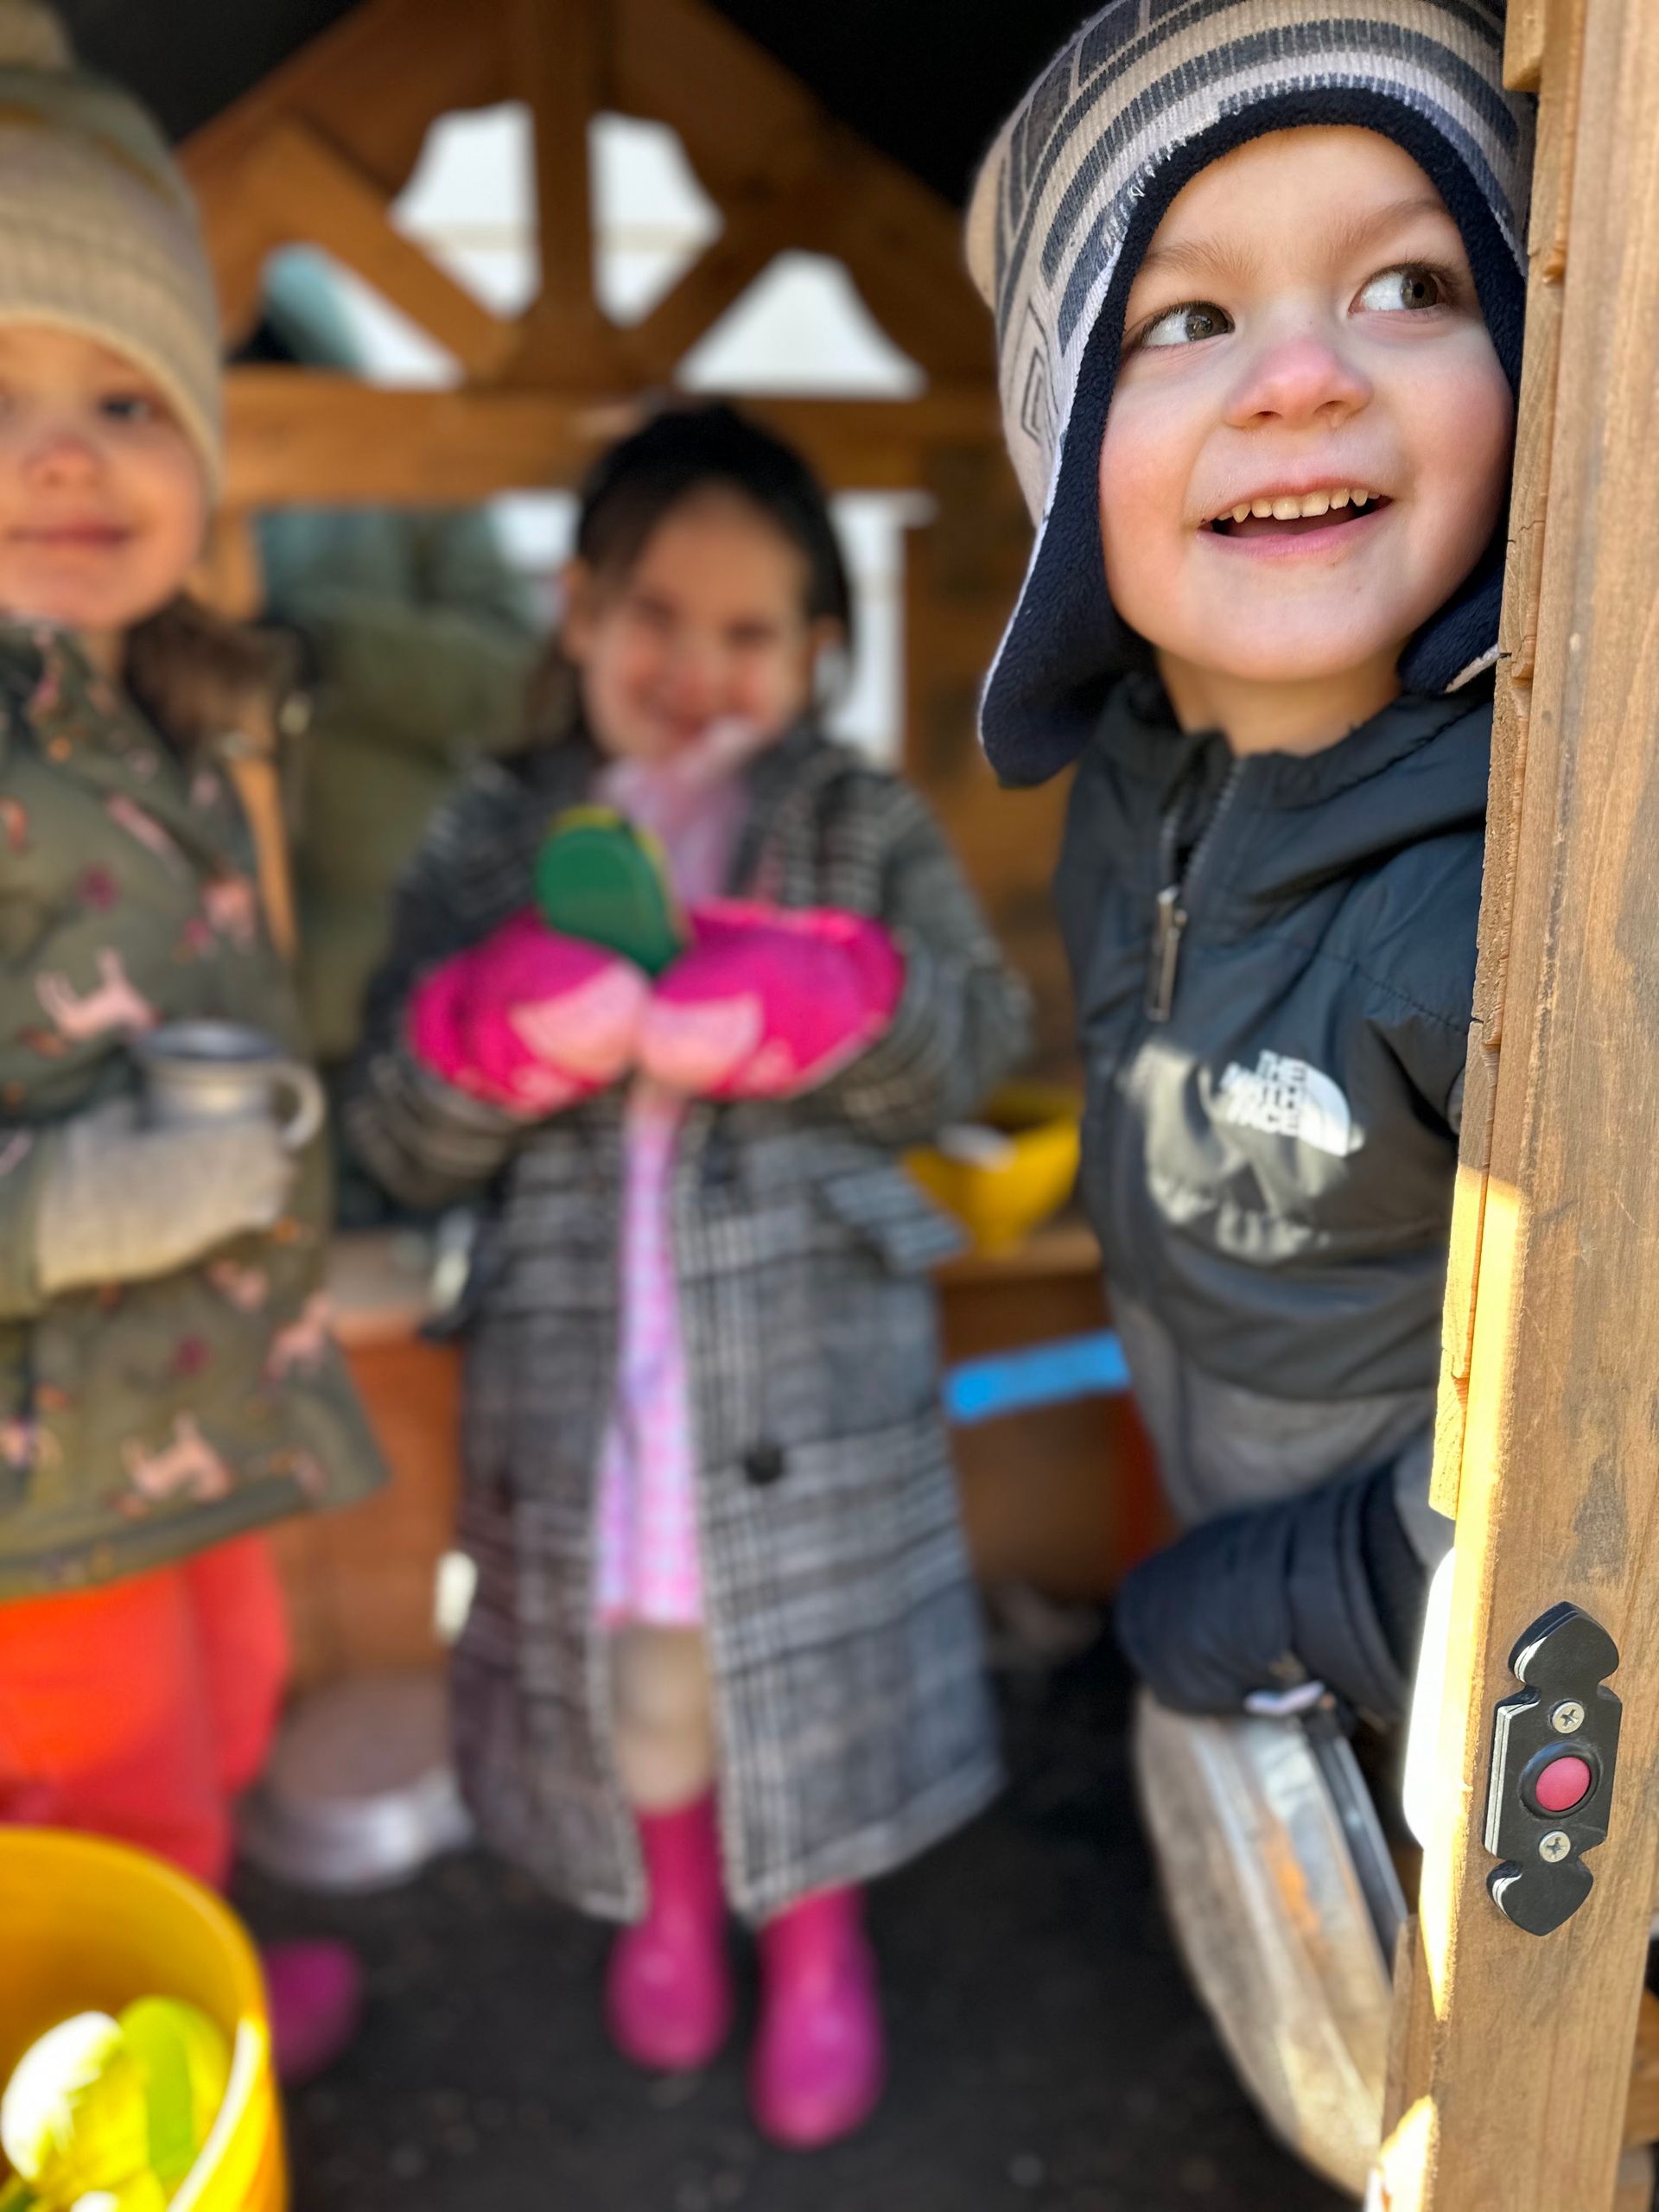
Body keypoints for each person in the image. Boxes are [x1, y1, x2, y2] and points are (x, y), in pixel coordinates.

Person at [346, 402, 1030, 2147]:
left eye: (749, 631)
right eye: (655, 613)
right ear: (576, 607)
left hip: (810, 1357)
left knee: (806, 1670)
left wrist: (849, 1001)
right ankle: (666, 1903)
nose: (696, 666)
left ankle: (815, 1945)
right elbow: (389, 1128)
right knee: (640, 1666)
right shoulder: (493, 828)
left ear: (817, 652)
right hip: (591, 1382)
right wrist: (486, 1034)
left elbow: (976, 1037)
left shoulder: (861, 820)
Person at [966, 2, 1530, 1725]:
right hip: (1248, 1560)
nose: (1303, 377)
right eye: (1188, 317)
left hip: (1465, 1730)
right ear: (1063, 453)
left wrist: (1296, 1602)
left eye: (1411, 285)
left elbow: (1613, 1460)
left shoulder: (1528, 909)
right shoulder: (1134, 773)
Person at [0, 1, 385, 2081]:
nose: (68, 452)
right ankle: (126, 2090)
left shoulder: (159, 708)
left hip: (186, 1397)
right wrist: (93, 1195)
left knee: (228, 1695)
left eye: (129, 397)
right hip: (34, 1478)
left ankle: (196, 1961)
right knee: (111, 1784)